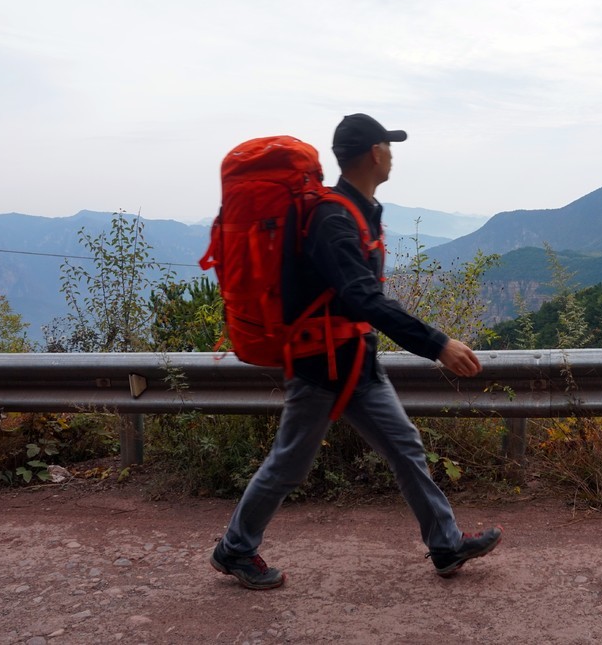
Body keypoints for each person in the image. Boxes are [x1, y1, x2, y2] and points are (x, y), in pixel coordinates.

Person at [210, 113, 502, 590]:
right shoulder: (332, 218)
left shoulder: (360, 209)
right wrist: (438, 344)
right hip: (320, 366)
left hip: (355, 360)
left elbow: (358, 301)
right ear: (375, 153)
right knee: (289, 465)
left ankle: (445, 546)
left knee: (405, 447)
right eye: (389, 145)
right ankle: (234, 549)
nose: (392, 153)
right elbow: (361, 296)